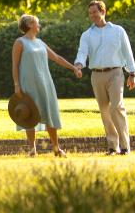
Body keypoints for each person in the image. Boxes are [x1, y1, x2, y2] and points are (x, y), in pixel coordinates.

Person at [12, 14, 83, 157]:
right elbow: (15, 65)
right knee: (29, 114)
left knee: (50, 113)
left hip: (45, 83)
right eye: (37, 23)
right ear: (30, 24)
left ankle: (56, 148)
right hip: (28, 83)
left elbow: (56, 58)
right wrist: (16, 85)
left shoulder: (40, 42)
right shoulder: (20, 42)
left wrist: (74, 68)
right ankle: (32, 149)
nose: (39, 25)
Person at [74, 0, 135, 156]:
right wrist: (79, 65)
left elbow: (127, 52)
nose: (92, 16)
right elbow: (82, 52)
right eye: (90, 13)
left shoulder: (118, 31)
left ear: (103, 11)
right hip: (96, 75)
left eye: (95, 12)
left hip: (116, 73)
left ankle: (124, 146)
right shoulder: (87, 35)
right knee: (104, 110)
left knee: (116, 107)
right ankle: (112, 146)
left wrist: (132, 73)